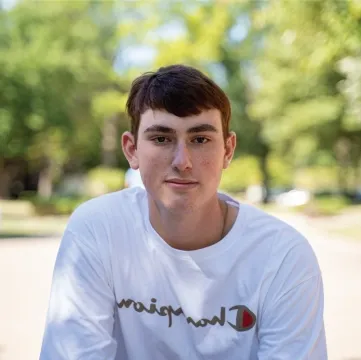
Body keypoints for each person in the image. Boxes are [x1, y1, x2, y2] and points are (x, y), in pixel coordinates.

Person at [39, 64, 327, 359]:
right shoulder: (98, 230)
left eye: (200, 139)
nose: (182, 161)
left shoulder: (282, 256)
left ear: (228, 150)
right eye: (161, 139)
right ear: (132, 150)